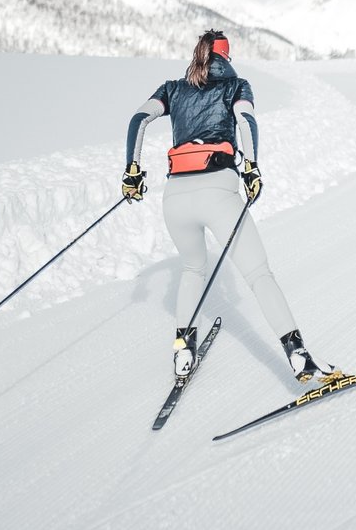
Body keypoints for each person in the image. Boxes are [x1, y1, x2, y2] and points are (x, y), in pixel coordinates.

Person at [122, 30, 335, 382]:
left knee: (192, 269)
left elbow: (137, 120)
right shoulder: (237, 86)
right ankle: (298, 355)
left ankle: (182, 352)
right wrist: (252, 167)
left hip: (174, 198)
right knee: (258, 274)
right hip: (218, 190)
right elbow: (246, 121)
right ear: (227, 57)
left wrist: (132, 171)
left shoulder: (172, 88)